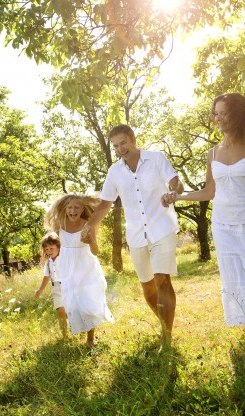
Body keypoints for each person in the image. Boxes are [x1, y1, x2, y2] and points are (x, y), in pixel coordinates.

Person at [164, 93, 245, 347]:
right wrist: (178, 197)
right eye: (216, 113)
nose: (218, 118)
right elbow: (209, 192)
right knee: (236, 279)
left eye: (224, 113)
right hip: (224, 224)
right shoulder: (213, 153)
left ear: (238, 114)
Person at [81, 124, 184, 349]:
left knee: (162, 281)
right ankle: (165, 325)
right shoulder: (114, 172)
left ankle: (167, 339)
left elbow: (176, 182)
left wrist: (174, 192)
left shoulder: (156, 159)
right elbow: (106, 203)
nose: (120, 149)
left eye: (123, 143)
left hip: (162, 228)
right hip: (137, 235)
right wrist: (89, 226)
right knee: (148, 288)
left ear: (132, 138)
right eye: (116, 146)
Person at [44, 193, 114, 347]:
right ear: (65, 209)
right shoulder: (59, 224)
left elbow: (95, 252)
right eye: (69, 207)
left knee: (89, 303)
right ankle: (77, 326)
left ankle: (90, 339)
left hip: (86, 267)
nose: (73, 210)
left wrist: (90, 241)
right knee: (73, 304)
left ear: (83, 209)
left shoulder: (88, 225)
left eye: (76, 207)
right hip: (67, 268)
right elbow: (54, 246)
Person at [35, 232, 68, 337]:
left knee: (72, 310)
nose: (49, 251)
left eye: (51, 248)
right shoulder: (48, 262)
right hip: (56, 288)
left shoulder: (64, 258)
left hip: (67, 286)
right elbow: (46, 277)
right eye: (46, 249)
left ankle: (79, 328)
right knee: (61, 311)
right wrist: (40, 290)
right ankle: (64, 334)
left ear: (58, 246)